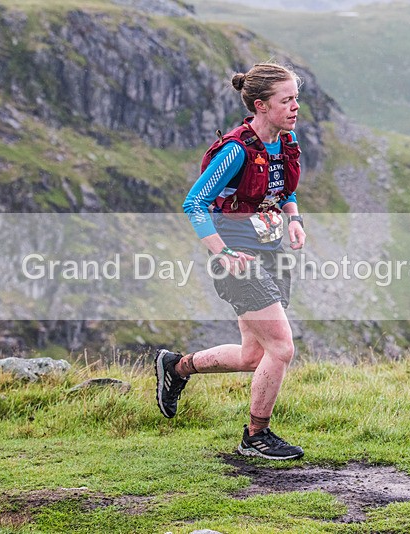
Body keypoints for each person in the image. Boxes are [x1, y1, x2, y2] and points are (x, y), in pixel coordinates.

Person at [155, 62, 306, 460]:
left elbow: (282, 190)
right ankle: (255, 436)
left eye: (296, 98)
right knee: (281, 347)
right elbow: (194, 203)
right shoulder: (236, 150)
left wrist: (294, 220)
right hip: (238, 259)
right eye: (286, 100)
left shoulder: (285, 141)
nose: (295, 107)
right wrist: (221, 252)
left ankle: (176, 367)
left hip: (272, 253)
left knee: (253, 355)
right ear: (261, 105)